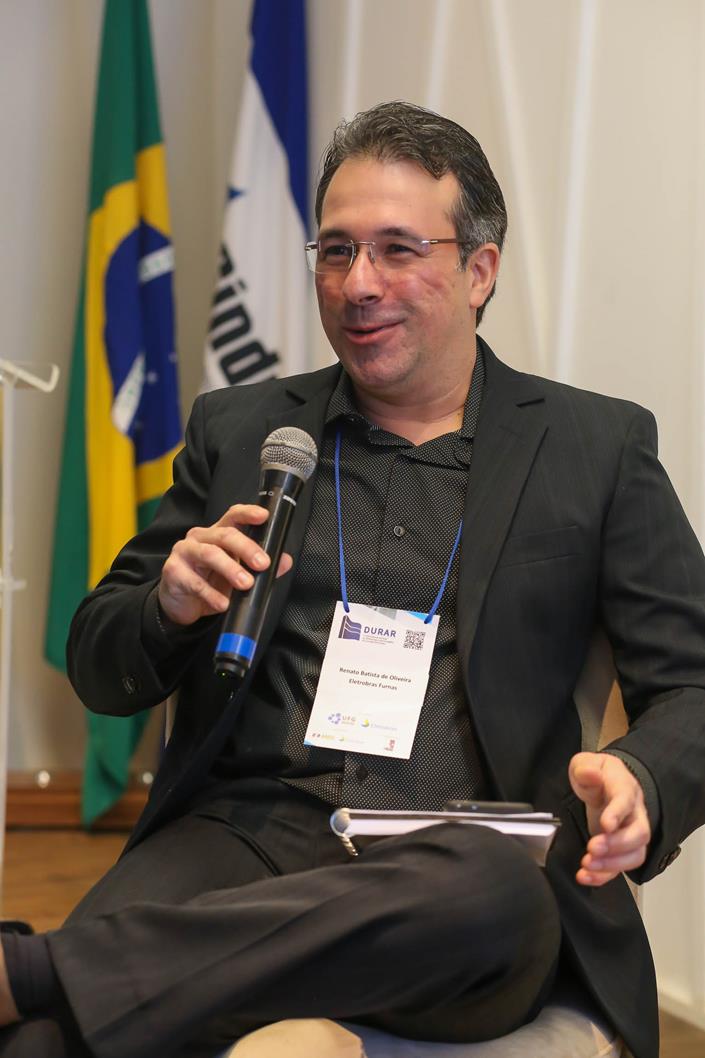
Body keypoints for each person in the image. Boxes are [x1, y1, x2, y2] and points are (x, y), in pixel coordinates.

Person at [2, 100, 705, 1058]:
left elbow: (692, 682)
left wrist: (641, 778)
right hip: (244, 837)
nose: (357, 283)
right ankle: (64, 986)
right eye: (335, 252)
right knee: (40, 1044)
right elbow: (99, 662)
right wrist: (165, 606)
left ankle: (37, 968)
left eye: (396, 250)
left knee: (490, 892)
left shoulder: (593, 446)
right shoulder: (243, 431)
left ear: (479, 271)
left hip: (460, 864)